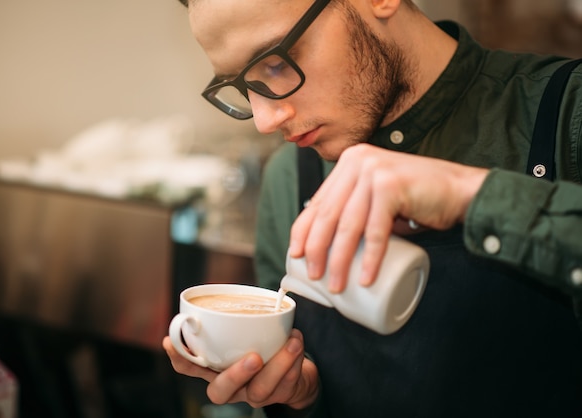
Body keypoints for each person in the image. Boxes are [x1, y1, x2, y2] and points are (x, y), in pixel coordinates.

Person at [164, 0, 582, 416]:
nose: (265, 120)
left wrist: (470, 193)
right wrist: (302, 398)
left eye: (275, 63)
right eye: (241, 85)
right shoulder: (290, 177)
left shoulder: (567, 112)